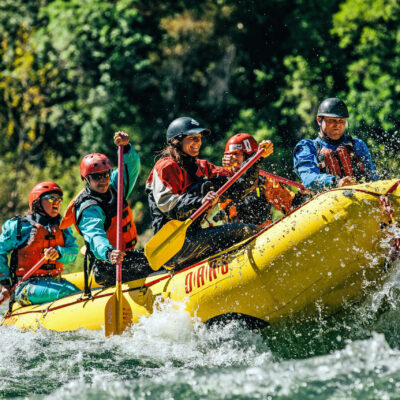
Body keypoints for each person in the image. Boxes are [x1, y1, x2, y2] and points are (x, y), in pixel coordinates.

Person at [146, 117, 272, 269]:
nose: (197, 143)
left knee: (211, 187)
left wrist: (257, 158)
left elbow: (237, 187)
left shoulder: (201, 166)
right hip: (173, 246)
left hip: (195, 236)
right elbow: (169, 207)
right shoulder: (166, 167)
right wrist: (200, 200)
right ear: (176, 141)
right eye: (192, 138)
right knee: (244, 230)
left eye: (199, 138)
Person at [61, 131, 152, 287]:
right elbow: (95, 235)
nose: (103, 180)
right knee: (151, 267)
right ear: (86, 179)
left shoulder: (115, 187)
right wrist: (109, 252)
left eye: (105, 174)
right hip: (107, 265)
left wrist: (126, 147)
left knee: (160, 259)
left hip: (127, 255)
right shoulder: (88, 208)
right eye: (96, 177)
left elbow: (130, 166)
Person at [0, 182, 79, 306]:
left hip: (54, 281)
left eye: (59, 199)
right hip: (25, 286)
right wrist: (5, 283)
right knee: (67, 292)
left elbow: (73, 252)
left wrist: (59, 252)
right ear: (37, 202)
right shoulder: (19, 226)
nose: (56, 202)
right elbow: (1, 251)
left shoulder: (62, 226)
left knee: (79, 293)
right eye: (51, 198)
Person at [293, 97, 380, 190]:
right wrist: (336, 182)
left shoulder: (357, 145)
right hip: (325, 200)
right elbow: (309, 178)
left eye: (341, 121)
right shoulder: (307, 147)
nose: (337, 125)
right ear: (319, 120)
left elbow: (373, 177)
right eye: (332, 120)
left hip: (359, 196)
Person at [219, 133, 297, 227]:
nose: (233, 158)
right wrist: (225, 172)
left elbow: (291, 205)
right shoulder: (224, 181)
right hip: (238, 236)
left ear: (248, 157)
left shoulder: (266, 181)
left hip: (264, 234)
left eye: (236, 154)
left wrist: (301, 195)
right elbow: (229, 195)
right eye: (229, 155)